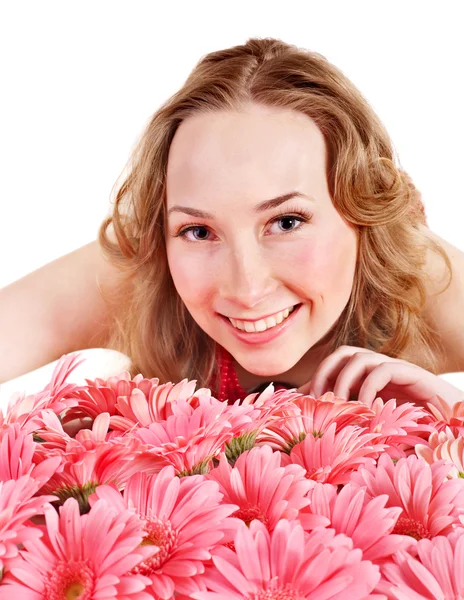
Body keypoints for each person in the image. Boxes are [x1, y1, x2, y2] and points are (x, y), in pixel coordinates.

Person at [1, 37, 464, 409]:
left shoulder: (425, 281)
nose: (247, 288)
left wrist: (454, 416)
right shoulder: (143, 264)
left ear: (365, 212)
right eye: (199, 231)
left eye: (286, 221)